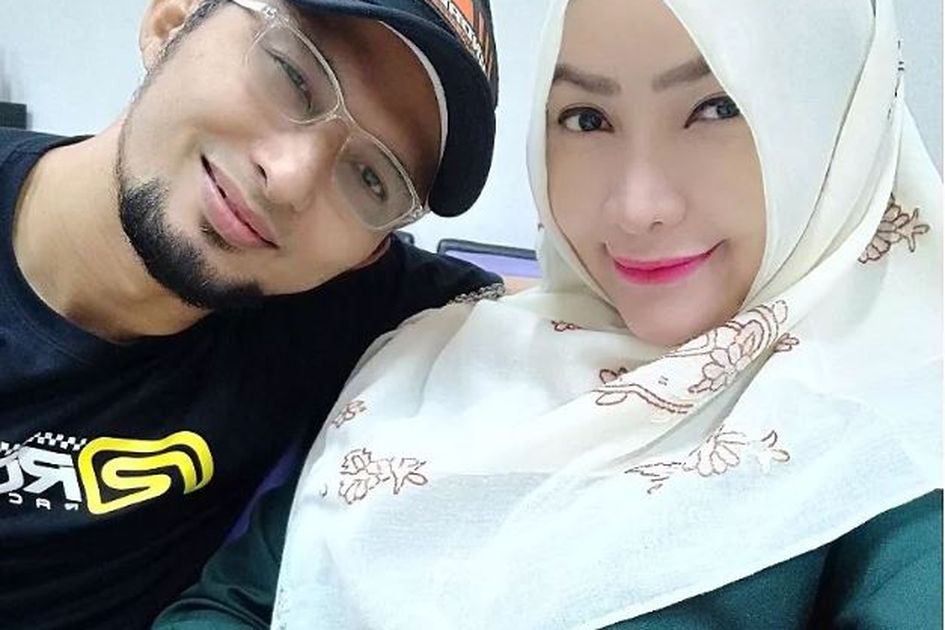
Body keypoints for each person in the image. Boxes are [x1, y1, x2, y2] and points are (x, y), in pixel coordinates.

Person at [156, 0, 943, 627]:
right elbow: (235, 603)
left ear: (838, 122)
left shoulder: (898, 443)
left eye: (716, 108)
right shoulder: (436, 356)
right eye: (586, 119)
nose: (636, 207)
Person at [0, 0, 502, 627]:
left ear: (370, 252)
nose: (289, 179)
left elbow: (566, 315)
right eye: (291, 74)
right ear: (172, 21)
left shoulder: (344, 309)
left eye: (372, 179)